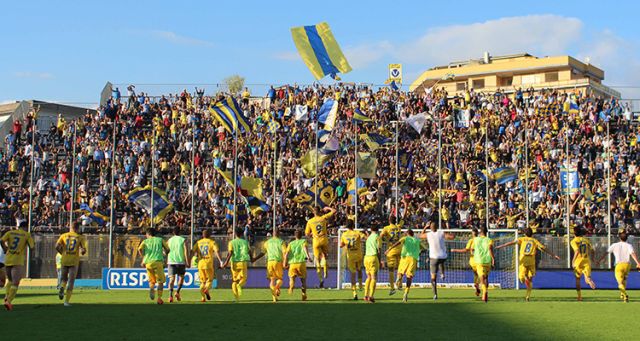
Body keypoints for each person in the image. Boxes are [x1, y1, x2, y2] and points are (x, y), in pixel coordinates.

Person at [495, 227, 560, 301]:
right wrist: (553, 255)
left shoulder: (522, 239)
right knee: (531, 278)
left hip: (524, 259)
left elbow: (512, 242)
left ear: (525, 234)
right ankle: (528, 296)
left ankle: (525, 278)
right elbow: (543, 248)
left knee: (522, 278)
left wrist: (502, 246)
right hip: (532, 259)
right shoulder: (535, 240)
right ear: (532, 233)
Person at [0, 221, 34, 311]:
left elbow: (1, 240)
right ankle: (9, 301)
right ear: (26, 227)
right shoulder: (27, 234)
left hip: (8, 259)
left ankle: (7, 297)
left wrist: (5, 248)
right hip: (17, 260)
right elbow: (32, 247)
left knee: (10, 280)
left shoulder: (10, 233)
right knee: (16, 282)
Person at [598, 230, 640, 302]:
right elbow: (633, 254)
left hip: (619, 265)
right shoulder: (629, 245)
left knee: (620, 282)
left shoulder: (615, 245)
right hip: (627, 265)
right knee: (624, 279)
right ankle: (622, 294)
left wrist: (600, 260)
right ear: (626, 238)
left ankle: (625, 295)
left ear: (619, 238)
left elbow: (606, 252)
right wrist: (638, 263)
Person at [55, 222, 87, 306]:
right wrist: (82, 251)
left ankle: (62, 287)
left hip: (64, 259)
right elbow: (83, 250)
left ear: (71, 227)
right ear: (77, 228)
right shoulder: (80, 237)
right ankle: (66, 302)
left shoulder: (63, 235)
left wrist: (62, 253)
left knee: (63, 279)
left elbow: (56, 246)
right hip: (74, 261)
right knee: (71, 281)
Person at [252, 229, 287, 302]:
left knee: (272, 280)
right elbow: (284, 253)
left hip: (270, 262)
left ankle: (274, 298)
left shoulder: (267, 242)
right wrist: (285, 262)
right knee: (280, 279)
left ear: (273, 234)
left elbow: (262, 253)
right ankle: (276, 288)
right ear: (279, 234)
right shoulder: (281, 242)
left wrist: (255, 258)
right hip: (278, 262)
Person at [421, 221, 454, 300]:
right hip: (443, 257)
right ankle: (442, 274)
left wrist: (425, 227)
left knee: (433, 278)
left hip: (433, 258)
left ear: (430, 228)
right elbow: (451, 237)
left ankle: (435, 294)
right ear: (437, 227)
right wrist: (450, 231)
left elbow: (420, 235)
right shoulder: (441, 232)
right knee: (440, 261)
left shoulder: (428, 234)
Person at [304, 206, 336, 288]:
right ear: (320, 211)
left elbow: (307, 234)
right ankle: (325, 271)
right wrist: (327, 208)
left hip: (316, 240)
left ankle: (321, 278)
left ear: (313, 212)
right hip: (324, 239)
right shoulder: (323, 218)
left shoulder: (310, 221)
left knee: (317, 260)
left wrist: (312, 234)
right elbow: (334, 211)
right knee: (324, 256)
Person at [387, 228, 421, 303]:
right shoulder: (417, 240)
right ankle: (406, 293)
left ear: (407, 234)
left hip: (405, 258)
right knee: (409, 277)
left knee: (400, 272)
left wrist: (389, 249)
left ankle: (398, 279)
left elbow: (397, 243)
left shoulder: (405, 238)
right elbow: (424, 248)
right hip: (413, 259)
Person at [380, 202, 407, 295]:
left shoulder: (386, 228)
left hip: (391, 250)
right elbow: (404, 217)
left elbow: (381, 236)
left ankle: (392, 288)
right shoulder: (398, 227)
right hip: (400, 249)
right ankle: (399, 284)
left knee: (391, 270)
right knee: (400, 268)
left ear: (389, 220)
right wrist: (406, 206)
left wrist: (383, 238)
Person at [137, 228, 169, 305]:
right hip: (158, 262)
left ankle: (151, 288)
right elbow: (168, 249)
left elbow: (139, 249)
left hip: (148, 263)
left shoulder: (145, 241)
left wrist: (143, 258)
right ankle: (159, 298)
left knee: (152, 280)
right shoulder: (160, 240)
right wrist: (165, 254)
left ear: (148, 234)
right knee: (160, 282)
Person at [221, 228, 251, 302]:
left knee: (234, 281)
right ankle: (239, 286)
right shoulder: (245, 242)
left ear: (235, 234)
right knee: (243, 279)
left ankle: (236, 298)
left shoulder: (231, 242)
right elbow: (249, 251)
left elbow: (230, 253)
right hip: (242, 262)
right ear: (241, 234)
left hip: (234, 263)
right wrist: (252, 258)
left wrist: (226, 263)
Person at [339, 219, 366, 300]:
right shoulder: (357, 233)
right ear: (353, 225)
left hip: (350, 256)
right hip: (358, 255)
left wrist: (346, 244)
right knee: (359, 269)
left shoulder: (344, 235)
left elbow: (341, 245)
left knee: (353, 274)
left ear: (346, 226)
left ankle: (354, 292)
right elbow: (364, 237)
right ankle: (361, 285)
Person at [194, 229, 221, 302]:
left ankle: (203, 298)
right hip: (208, 263)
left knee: (202, 282)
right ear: (209, 235)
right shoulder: (212, 242)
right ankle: (207, 289)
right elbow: (217, 251)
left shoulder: (198, 242)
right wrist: (220, 261)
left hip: (200, 264)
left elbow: (192, 251)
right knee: (209, 280)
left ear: (203, 235)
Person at [451, 228, 480, 296]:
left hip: (473, 261)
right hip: (480, 260)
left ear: (472, 234)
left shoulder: (471, 240)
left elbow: (465, 250)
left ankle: (476, 286)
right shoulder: (480, 240)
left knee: (476, 274)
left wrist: (455, 250)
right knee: (480, 275)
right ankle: (478, 286)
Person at [284, 229, 311, 301]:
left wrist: (285, 262)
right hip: (301, 263)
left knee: (292, 278)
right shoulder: (303, 241)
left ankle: (291, 287)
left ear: (294, 236)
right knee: (303, 280)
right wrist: (308, 257)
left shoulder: (291, 243)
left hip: (292, 264)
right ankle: (304, 295)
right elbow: (305, 248)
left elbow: (286, 254)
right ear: (301, 236)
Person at [570, 226, 596, 301]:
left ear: (574, 233)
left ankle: (579, 297)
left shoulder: (573, 241)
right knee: (587, 278)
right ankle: (589, 280)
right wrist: (593, 258)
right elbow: (593, 250)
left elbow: (577, 250)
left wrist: (573, 261)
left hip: (578, 261)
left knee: (578, 279)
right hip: (586, 260)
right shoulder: (586, 240)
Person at [472, 226, 494, 303]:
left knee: (482, 279)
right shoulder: (489, 240)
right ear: (486, 232)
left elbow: (472, 250)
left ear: (480, 232)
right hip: (488, 261)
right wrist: (493, 259)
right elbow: (490, 249)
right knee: (486, 278)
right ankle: (484, 291)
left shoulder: (476, 240)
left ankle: (484, 292)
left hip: (479, 261)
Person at [167, 227, 189, 303]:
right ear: (180, 232)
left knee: (171, 279)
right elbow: (186, 251)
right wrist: (187, 261)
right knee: (181, 278)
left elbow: (166, 250)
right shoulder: (183, 240)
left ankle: (170, 296)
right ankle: (177, 292)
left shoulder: (169, 240)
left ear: (173, 232)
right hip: (181, 262)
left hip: (171, 261)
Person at [364, 225, 382, 303]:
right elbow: (379, 250)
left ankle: (365, 295)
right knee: (374, 277)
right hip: (373, 257)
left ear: (371, 230)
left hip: (366, 258)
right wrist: (380, 260)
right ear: (378, 230)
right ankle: (371, 296)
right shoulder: (377, 237)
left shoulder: (368, 238)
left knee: (368, 277)